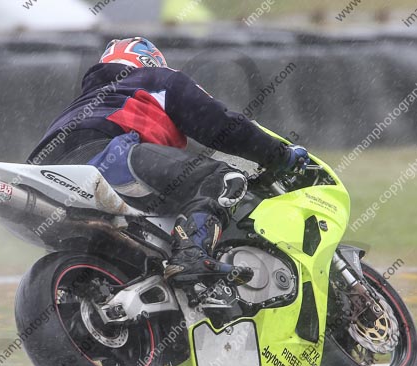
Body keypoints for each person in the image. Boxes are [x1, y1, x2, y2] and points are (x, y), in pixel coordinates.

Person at [27, 37, 309, 286]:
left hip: (45, 174)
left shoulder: (82, 102)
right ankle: (191, 256)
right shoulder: (158, 79)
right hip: (109, 157)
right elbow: (221, 125)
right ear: (150, 62)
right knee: (219, 178)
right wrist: (279, 154)